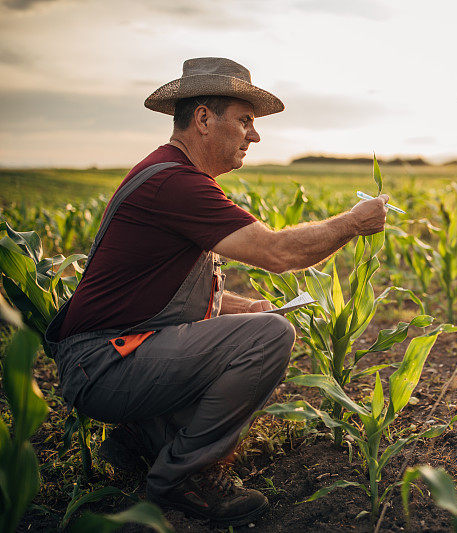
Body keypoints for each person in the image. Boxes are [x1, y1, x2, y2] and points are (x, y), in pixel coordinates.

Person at [43, 57, 389, 526]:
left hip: (107, 357)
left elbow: (158, 293)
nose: (255, 135)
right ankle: (184, 476)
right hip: (105, 364)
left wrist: (244, 307)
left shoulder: (169, 174)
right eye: (245, 120)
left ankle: (141, 440)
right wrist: (354, 222)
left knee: (255, 324)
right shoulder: (174, 183)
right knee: (270, 338)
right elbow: (278, 253)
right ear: (203, 118)